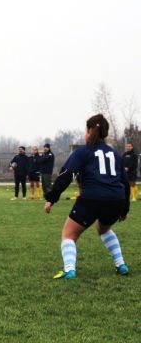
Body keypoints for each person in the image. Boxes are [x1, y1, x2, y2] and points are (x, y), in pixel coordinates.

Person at [44, 114, 130, 280]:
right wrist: (124, 209)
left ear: (90, 130)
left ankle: (70, 270)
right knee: (103, 229)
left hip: (92, 198)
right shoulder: (114, 154)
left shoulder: (83, 152)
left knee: (69, 235)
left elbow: (66, 175)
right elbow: (125, 183)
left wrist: (51, 198)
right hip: (116, 199)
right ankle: (121, 265)